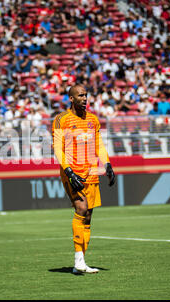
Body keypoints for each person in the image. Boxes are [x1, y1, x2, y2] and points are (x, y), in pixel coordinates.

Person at [52, 84, 116, 274]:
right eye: (80, 95)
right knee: (81, 207)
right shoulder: (60, 119)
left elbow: (99, 145)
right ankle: (79, 262)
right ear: (71, 99)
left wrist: (108, 164)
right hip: (72, 172)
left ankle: (81, 262)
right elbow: (57, 148)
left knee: (88, 215)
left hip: (91, 172)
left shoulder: (93, 120)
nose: (84, 98)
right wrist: (69, 172)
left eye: (86, 95)